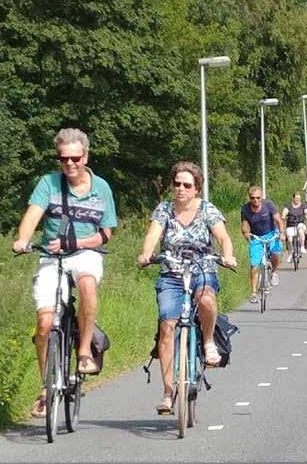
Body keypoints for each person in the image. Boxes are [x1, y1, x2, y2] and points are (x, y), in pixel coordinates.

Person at [13, 128, 117, 417]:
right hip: (51, 255)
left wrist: (76, 242)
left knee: (86, 284)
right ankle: (46, 387)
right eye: (63, 159)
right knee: (45, 322)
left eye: (75, 158)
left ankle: (84, 352)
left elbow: (105, 233)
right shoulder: (48, 183)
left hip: (85, 252)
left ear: (85, 156)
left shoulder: (102, 188)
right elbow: (33, 215)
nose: (69, 164)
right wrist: (23, 239)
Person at [137, 161, 236, 414]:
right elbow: (152, 235)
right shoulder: (164, 210)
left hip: (202, 269)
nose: (180, 189)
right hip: (172, 273)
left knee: (206, 299)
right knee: (167, 326)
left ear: (196, 189)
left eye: (187, 185)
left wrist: (227, 256)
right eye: (177, 184)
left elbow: (223, 237)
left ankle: (208, 342)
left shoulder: (207, 210)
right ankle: (168, 392)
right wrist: (146, 253)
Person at [241, 186, 285, 303]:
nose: (255, 200)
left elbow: (279, 220)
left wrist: (281, 233)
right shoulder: (245, 209)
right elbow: (244, 225)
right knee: (254, 264)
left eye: (258, 198)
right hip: (256, 236)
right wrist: (246, 234)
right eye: (252, 198)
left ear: (261, 198)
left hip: (271, 233)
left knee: (275, 253)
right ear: (249, 198)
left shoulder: (268, 205)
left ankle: (274, 272)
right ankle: (254, 292)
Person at [282, 192, 307, 263]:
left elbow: (306, 211)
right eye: (296, 198)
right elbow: (285, 211)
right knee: (290, 239)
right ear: (293, 198)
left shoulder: (303, 205)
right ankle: (290, 253)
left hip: (300, 223)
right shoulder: (289, 205)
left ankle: (302, 246)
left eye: (299, 198)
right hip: (290, 224)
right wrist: (284, 215)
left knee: (300, 230)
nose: (297, 200)